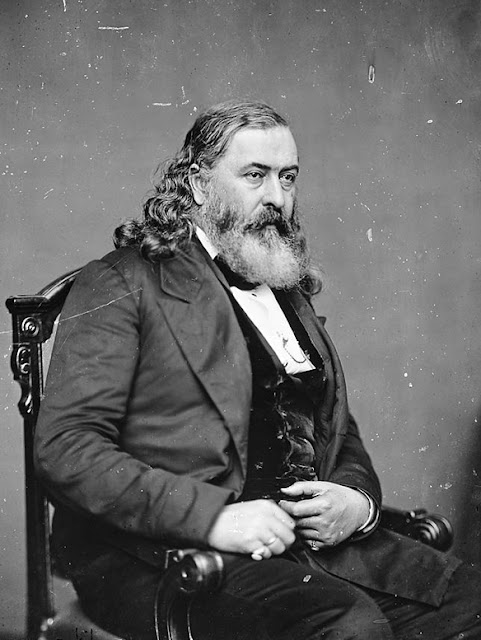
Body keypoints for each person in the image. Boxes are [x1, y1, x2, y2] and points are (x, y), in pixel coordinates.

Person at [34, 100, 481, 640]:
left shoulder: (282, 286)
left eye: (287, 177)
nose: (277, 197)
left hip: (301, 548)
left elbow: (333, 424)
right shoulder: (123, 282)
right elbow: (67, 447)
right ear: (198, 185)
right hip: (162, 554)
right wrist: (214, 518)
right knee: (346, 625)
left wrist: (356, 502)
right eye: (255, 175)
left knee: (470, 600)